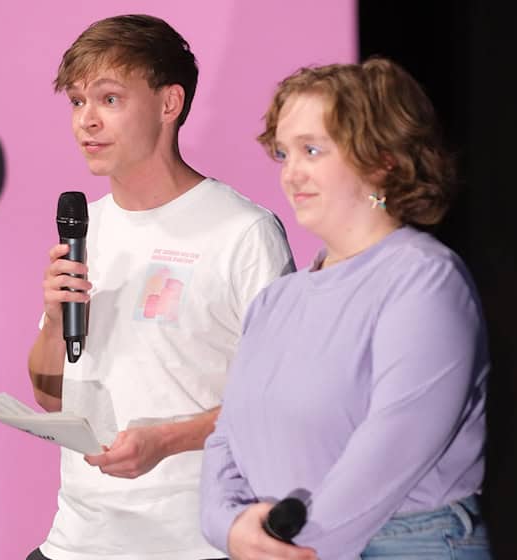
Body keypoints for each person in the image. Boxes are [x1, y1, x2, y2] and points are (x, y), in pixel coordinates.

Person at [26, 14, 295, 560]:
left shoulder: (242, 233)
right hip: (76, 541)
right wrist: (55, 321)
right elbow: (51, 397)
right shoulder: (86, 229)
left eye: (109, 99)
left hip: (193, 543)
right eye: (77, 102)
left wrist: (165, 440)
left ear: (169, 105)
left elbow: (278, 404)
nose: (87, 122)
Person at [199, 57, 491, 559]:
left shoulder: (424, 279)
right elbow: (228, 438)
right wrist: (225, 524)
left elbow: (390, 451)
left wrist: (292, 545)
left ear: (381, 160)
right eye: (283, 153)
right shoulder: (276, 300)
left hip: (407, 546)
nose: (292, 173)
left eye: (312, 150)